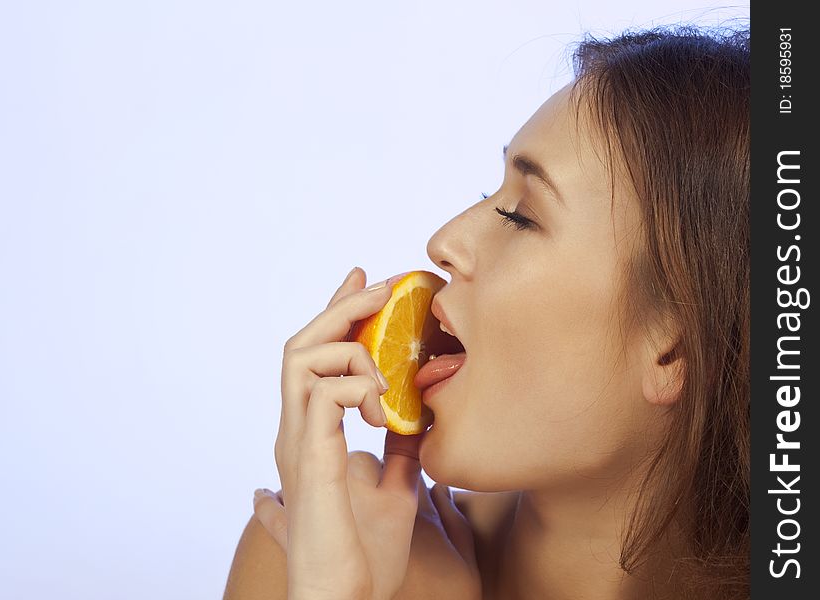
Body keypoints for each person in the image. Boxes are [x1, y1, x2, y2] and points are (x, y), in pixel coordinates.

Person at [225, 24, 750, 600]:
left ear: (671, 350)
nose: (443, 241)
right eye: (486, 197)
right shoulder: (310, 553)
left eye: (520, 216)